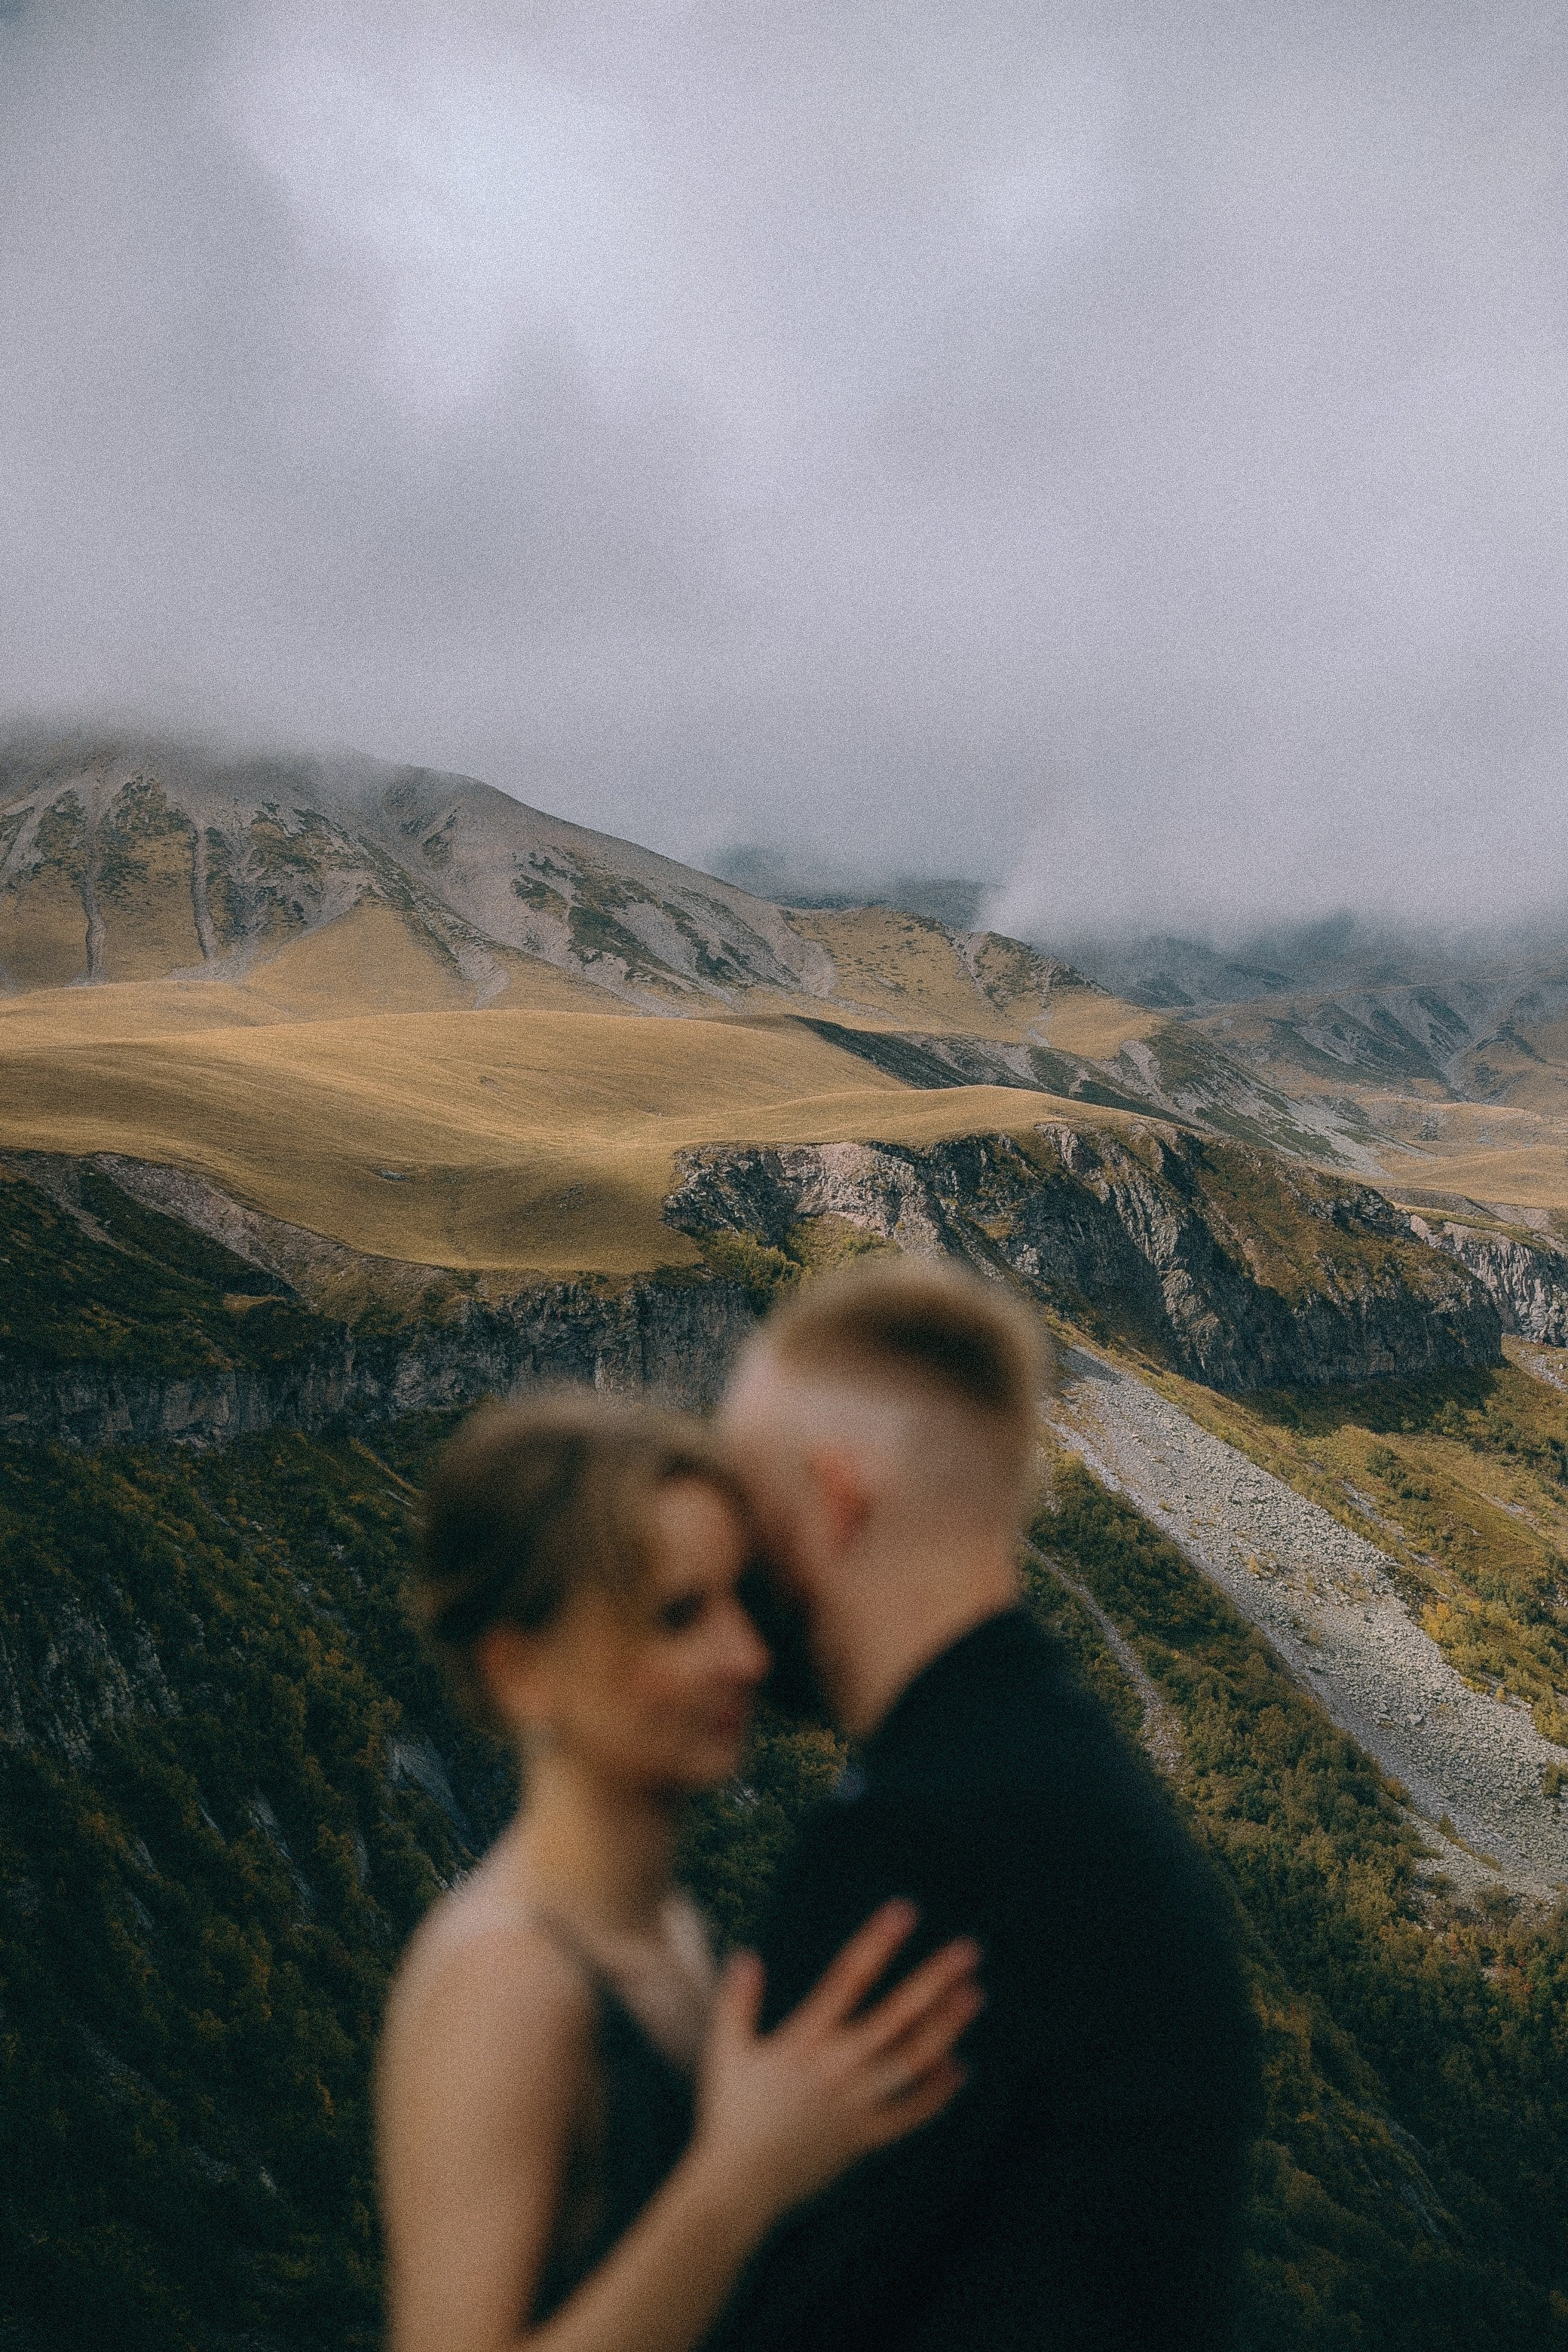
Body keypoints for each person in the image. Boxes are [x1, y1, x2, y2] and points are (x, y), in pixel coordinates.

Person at [712, 1256, 1261, 2352]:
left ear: (831, 1499)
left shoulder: (914, 1852)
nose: (731, 1564)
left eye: (748, 1508)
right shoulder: (1068, 1776)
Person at [375, 1392, 984, 2352]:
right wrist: (739, 2183)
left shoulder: (667, 1929)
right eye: (677, 1615)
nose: (747, 1655)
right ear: (521, 1671)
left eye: (741, 1598)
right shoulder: (503, 1981)